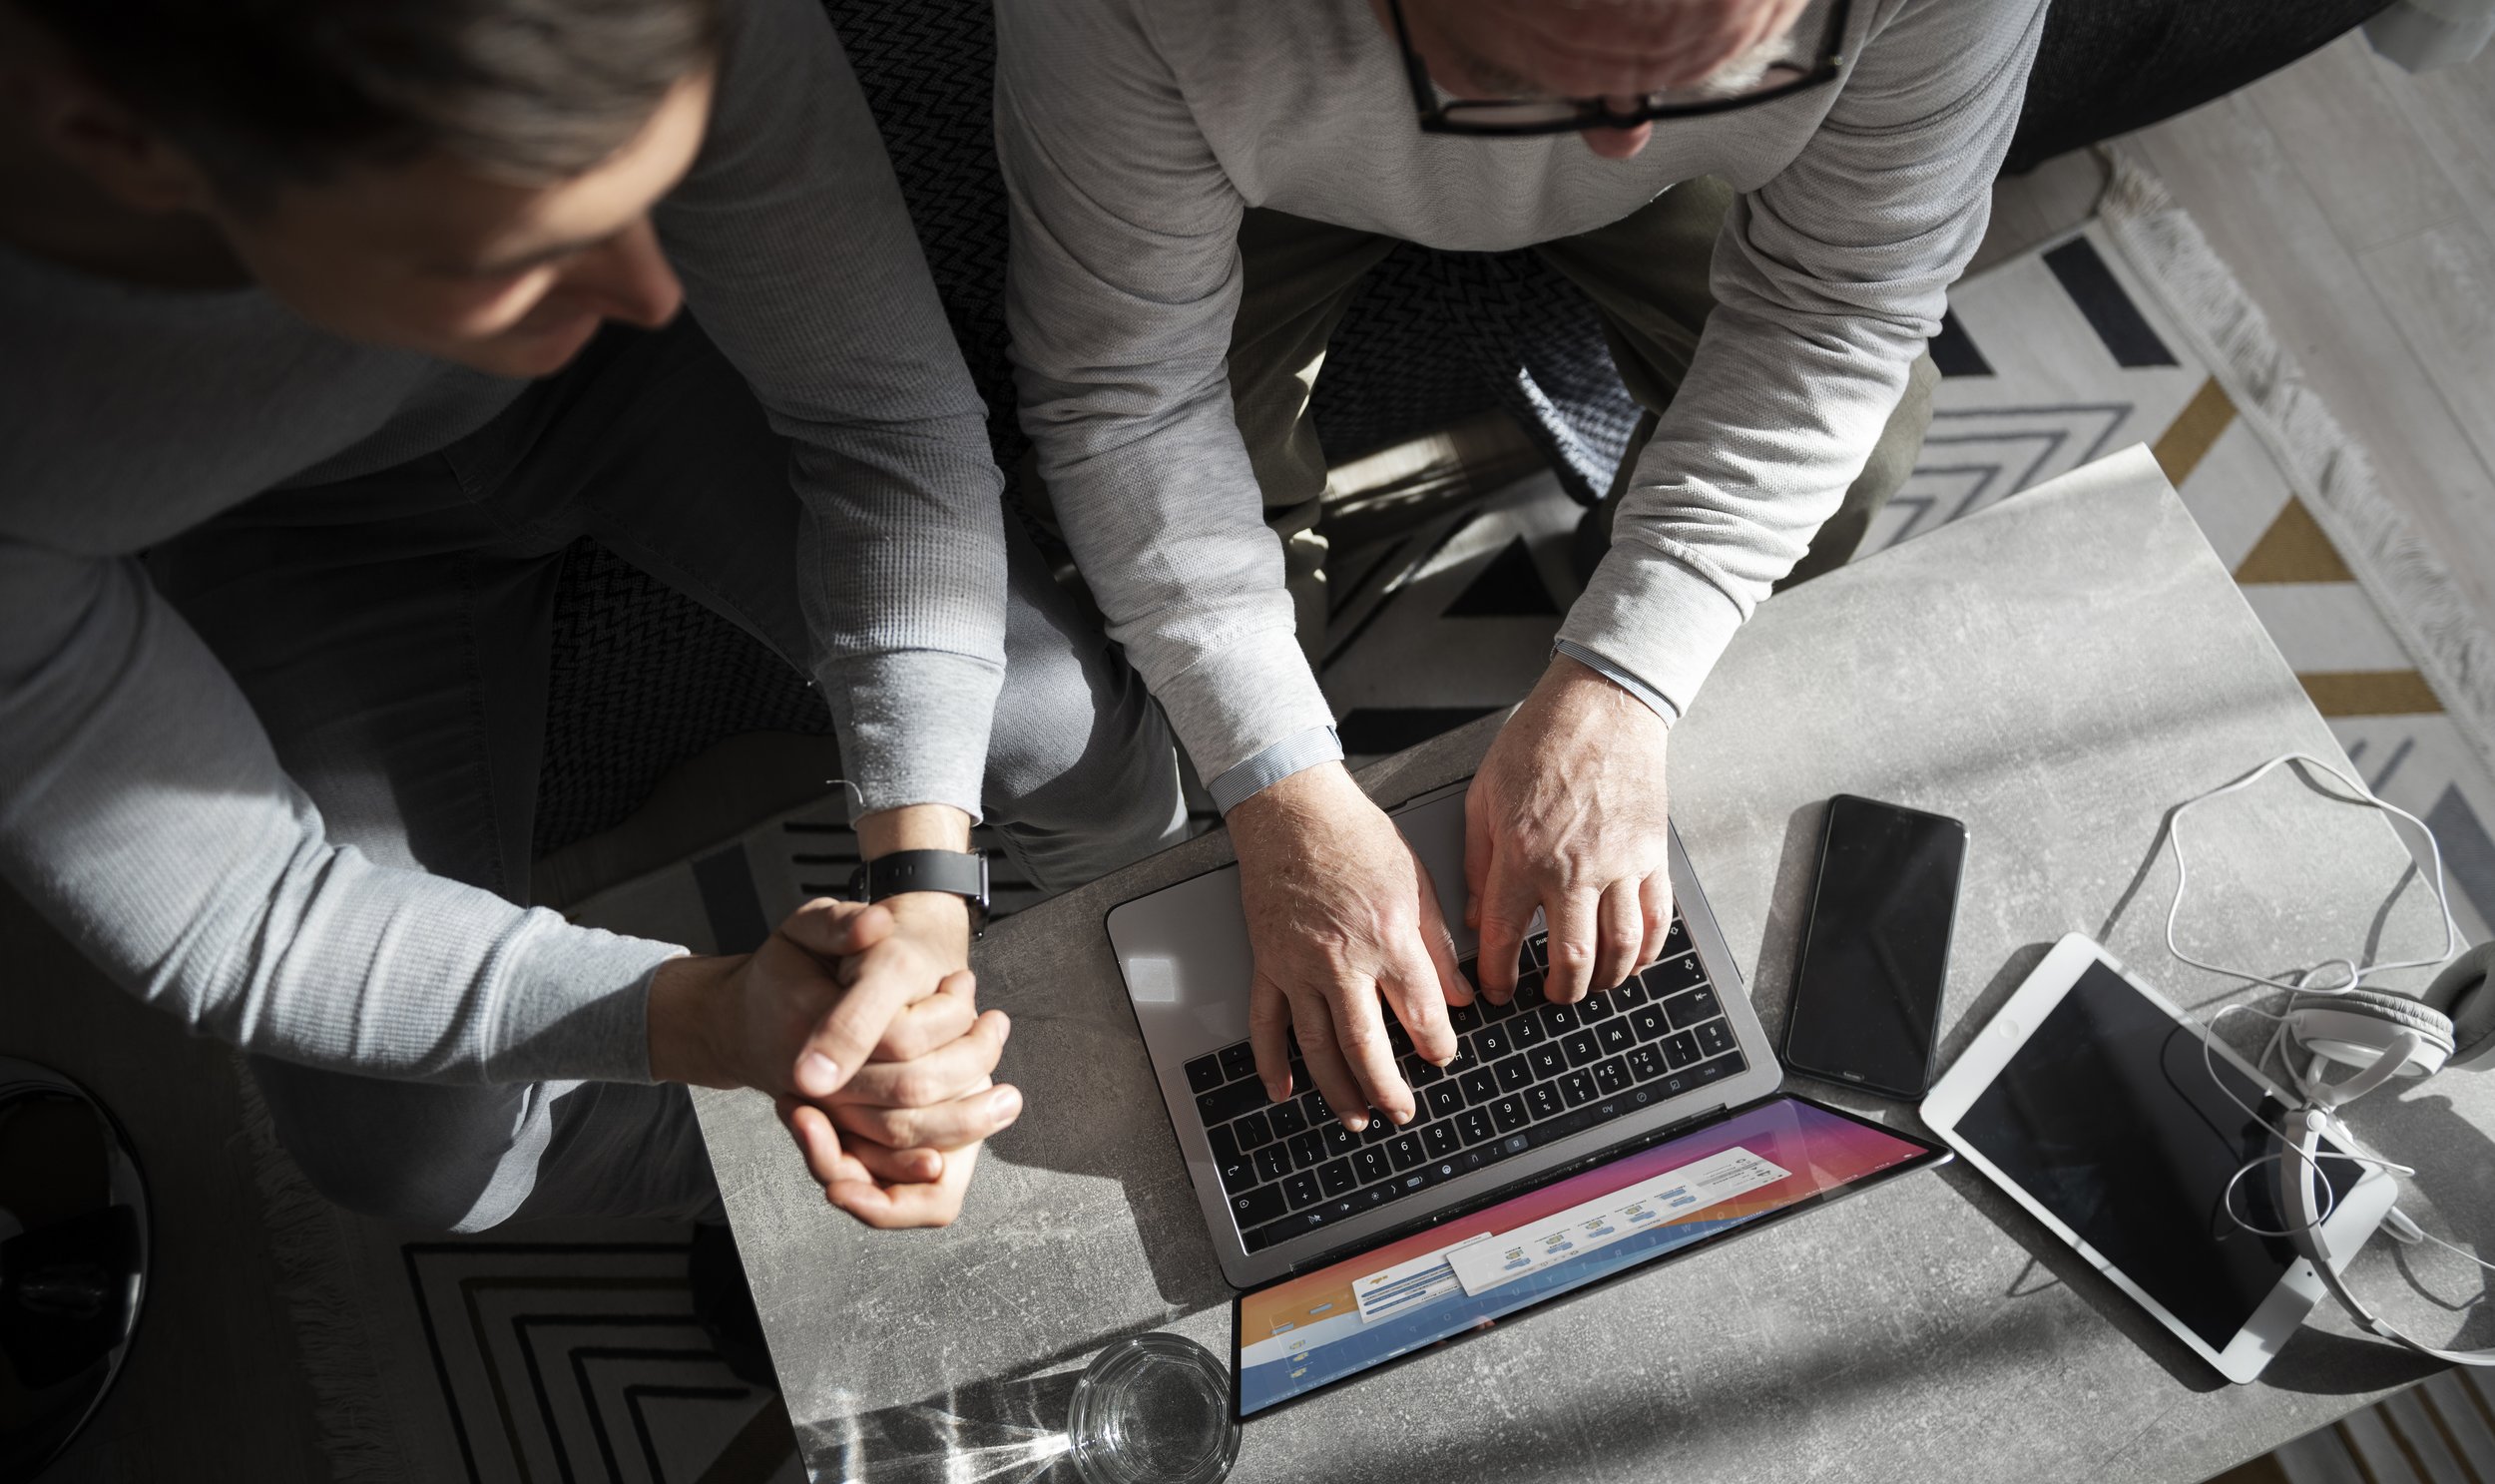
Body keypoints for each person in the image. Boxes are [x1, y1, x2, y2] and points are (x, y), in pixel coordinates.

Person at [0, 0, 1187, 1239]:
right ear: (129, 148)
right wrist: (715, 1022)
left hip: (670, 384)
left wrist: (927, 883)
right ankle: (812, 1161)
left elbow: (880, 420)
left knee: (1045, 715)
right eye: (518, 249)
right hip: (294, 532)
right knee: (410, 1161)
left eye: (648, 186)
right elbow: (237, 914)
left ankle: (1120, 957)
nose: (643, 276)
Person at [998, 0, 2045, 1132]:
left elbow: (1842, 315)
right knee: (1189, 567)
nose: (1619, 140)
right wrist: (1276, 781)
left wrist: (1623, 676)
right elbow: (1125, 401)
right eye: (1531, 75)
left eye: (1724, 69)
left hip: (1658, 197)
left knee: (1868, 448)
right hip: (1266, 173)